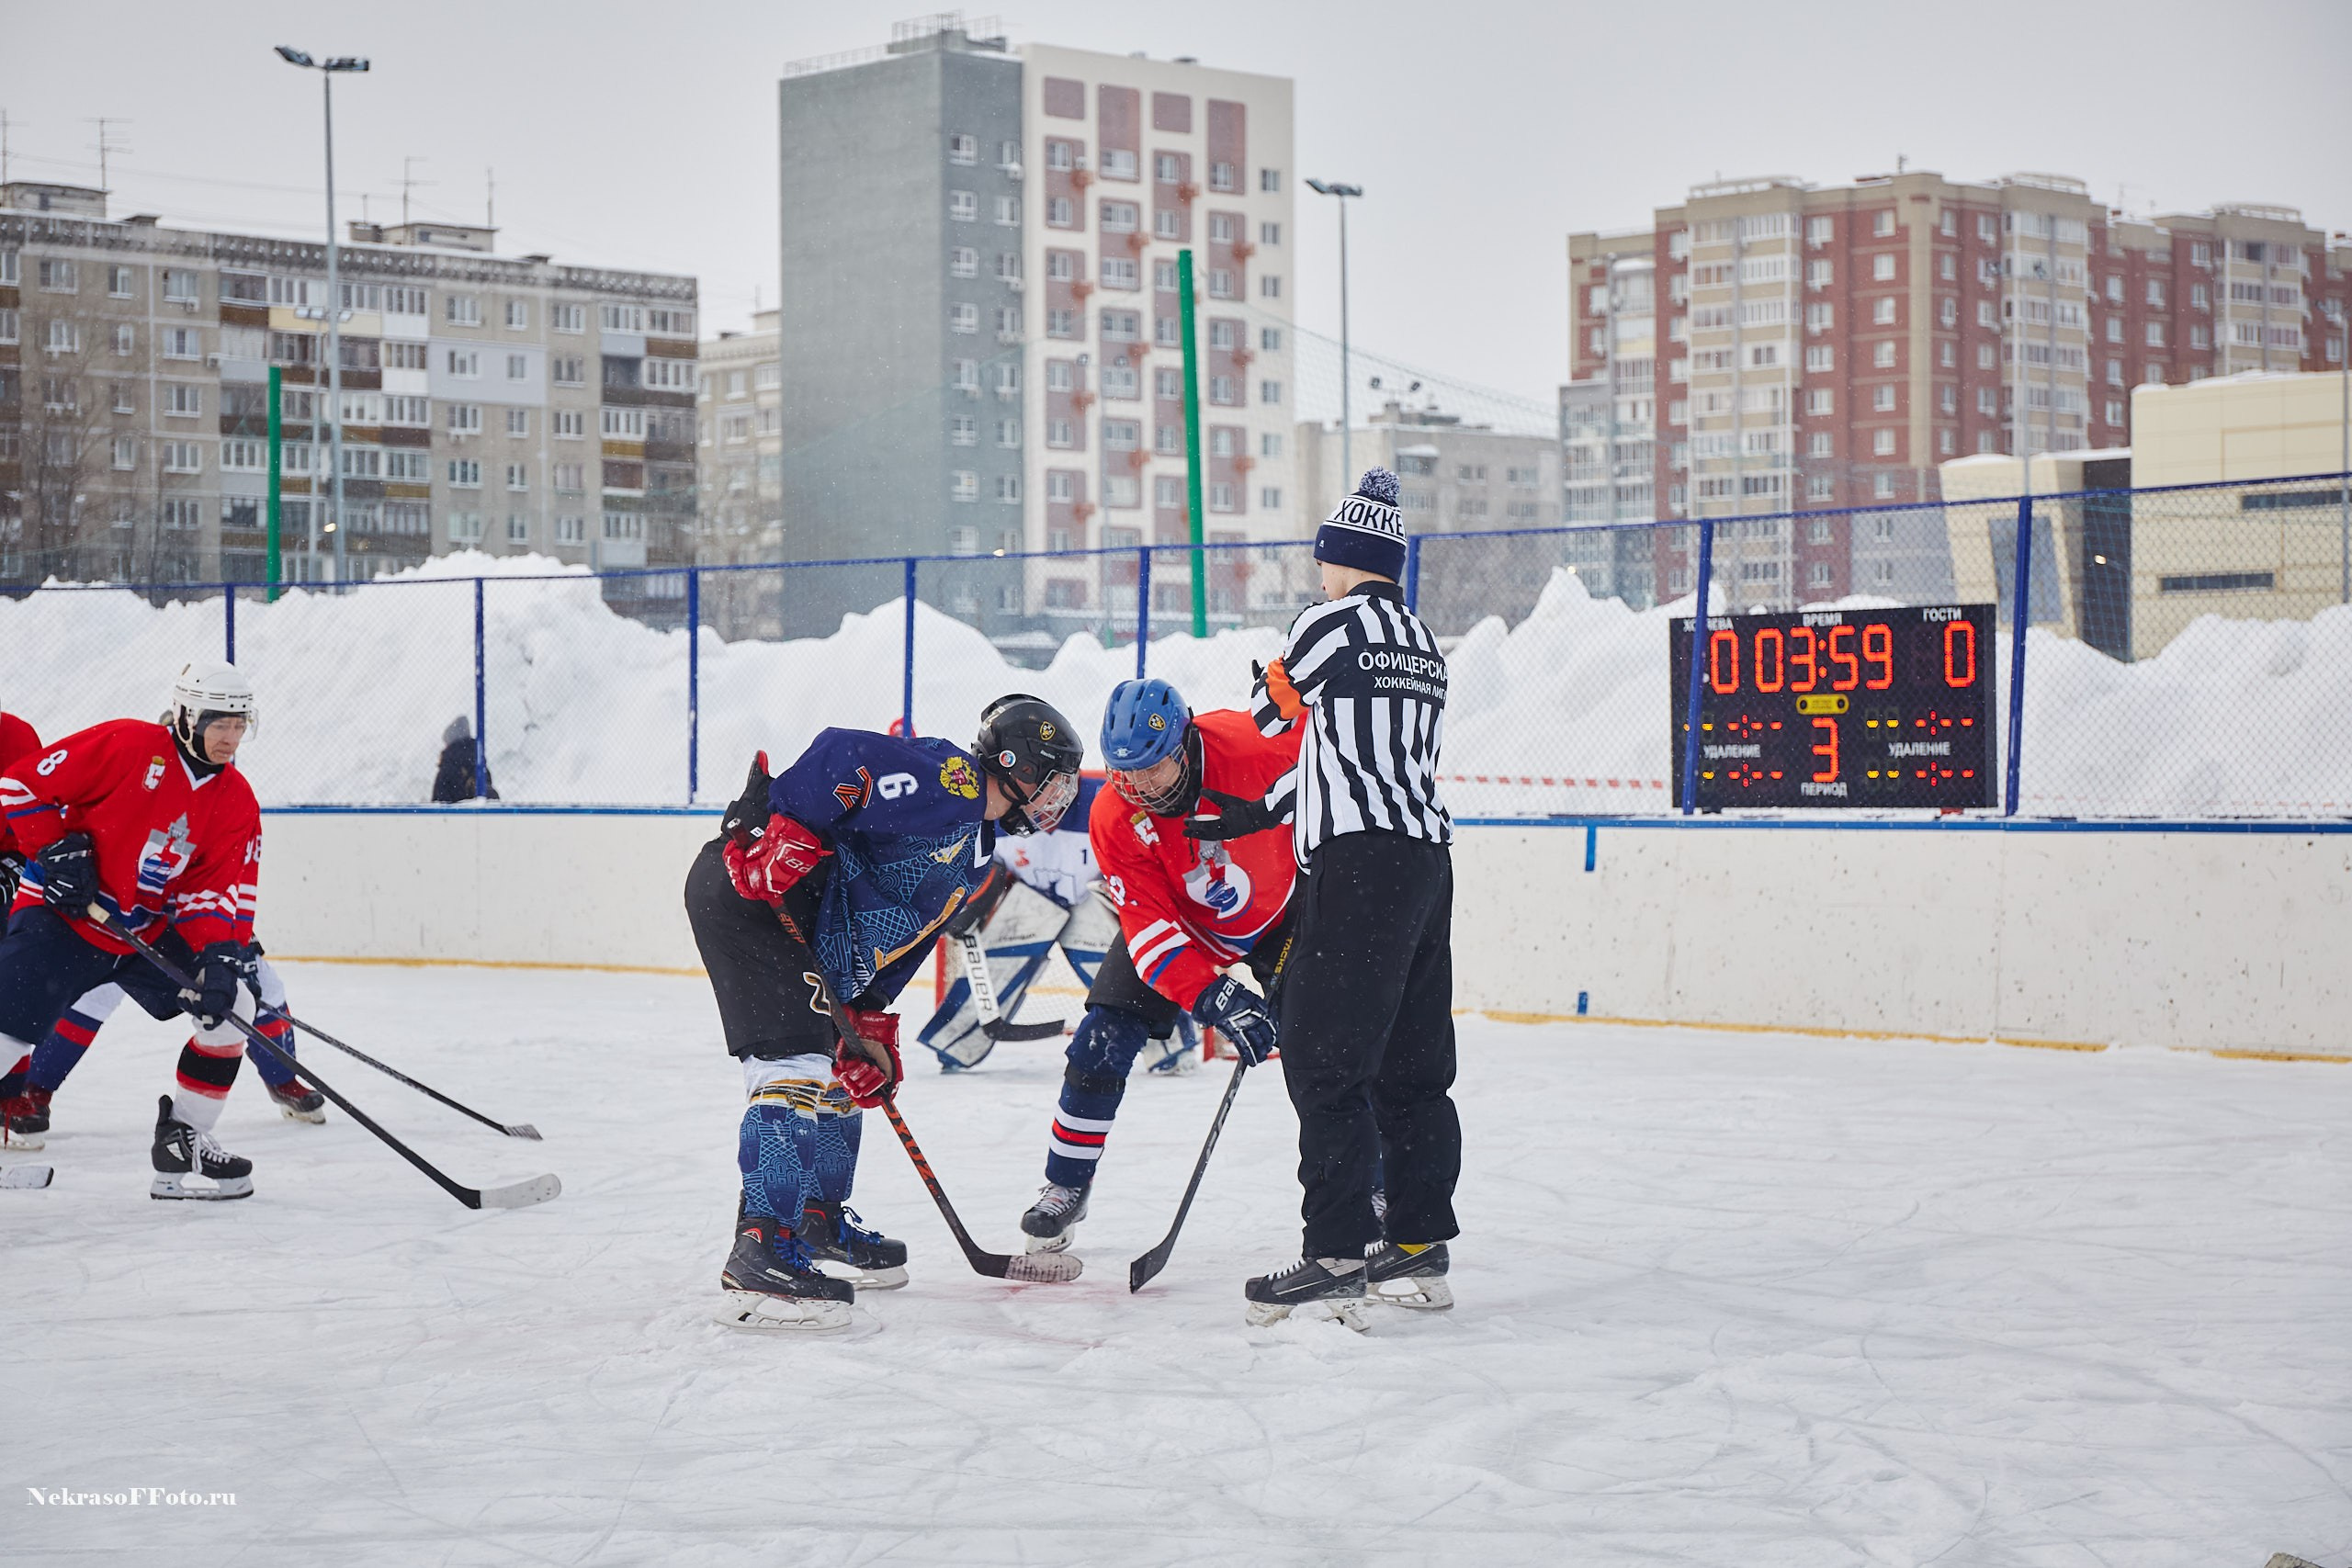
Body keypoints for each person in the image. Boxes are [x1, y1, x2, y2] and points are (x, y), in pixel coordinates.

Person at [689, 694, 1083, 1331]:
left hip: (811, 933)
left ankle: (814, 1223)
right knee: (792, 1066)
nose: (1057, 799)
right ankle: (761, 1248)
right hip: (756, 896)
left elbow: (906, 935)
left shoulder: (975, 851)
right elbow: (849, 754)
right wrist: (786, 826)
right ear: (1018, 766)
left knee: (841, 1073)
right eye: (1054, 781)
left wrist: (867, 1015)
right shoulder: (956, 785)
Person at [1190, 468, 1460, 1324]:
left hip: (1357, 867)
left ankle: (1336, 1252)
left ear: (1345, 560)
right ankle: (1417, 1241)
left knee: (1321, 1054)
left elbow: (1270, 719)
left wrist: (1226, 782)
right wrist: (1256, 816)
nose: (1317, 575)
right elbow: (1350, 760)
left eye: (1323, 561)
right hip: (1426, 863)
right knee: (1415, 1064)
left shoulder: (1328, 624)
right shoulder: (1422, 641)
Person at [1016, 677, 1302, 1253]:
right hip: (1185, 926)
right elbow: (1146, 929)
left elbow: (1332, 758)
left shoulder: (1251, 743)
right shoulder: (1113, 814)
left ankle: (1365, 1188)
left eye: (1153, 768)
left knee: (1327, 1051)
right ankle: (1066, 1185)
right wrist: (1211, 997)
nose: (1139, 785)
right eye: (1125, 772)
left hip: (1286, 911)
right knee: (1101, 1039)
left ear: (1184, 742)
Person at [0, 661, 266, 1198]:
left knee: (232, 1007)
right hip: (64, 919)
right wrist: (55, 849)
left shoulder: (236, 799)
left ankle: (183, 1140)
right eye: (221, 724)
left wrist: (216, 955)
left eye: (241, 725)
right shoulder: (128, 744)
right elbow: (19, 784)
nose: (231, 738)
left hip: (140, 933)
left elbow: (206, 894)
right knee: (7, 1032)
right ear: (189, 717)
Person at [0, 947, 325, 1151]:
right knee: (93, 992)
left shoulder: (224, 836)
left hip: (185, 922)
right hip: (121, 915)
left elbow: (227, 884)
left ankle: (283, 1079)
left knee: (260, 982)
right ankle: (34, 1090)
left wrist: (235, 943)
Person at [431, 716, 497, 803]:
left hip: (450, 815)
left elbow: (438, 801)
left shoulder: (447, 768)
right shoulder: (479, 765)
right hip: (477, 813)